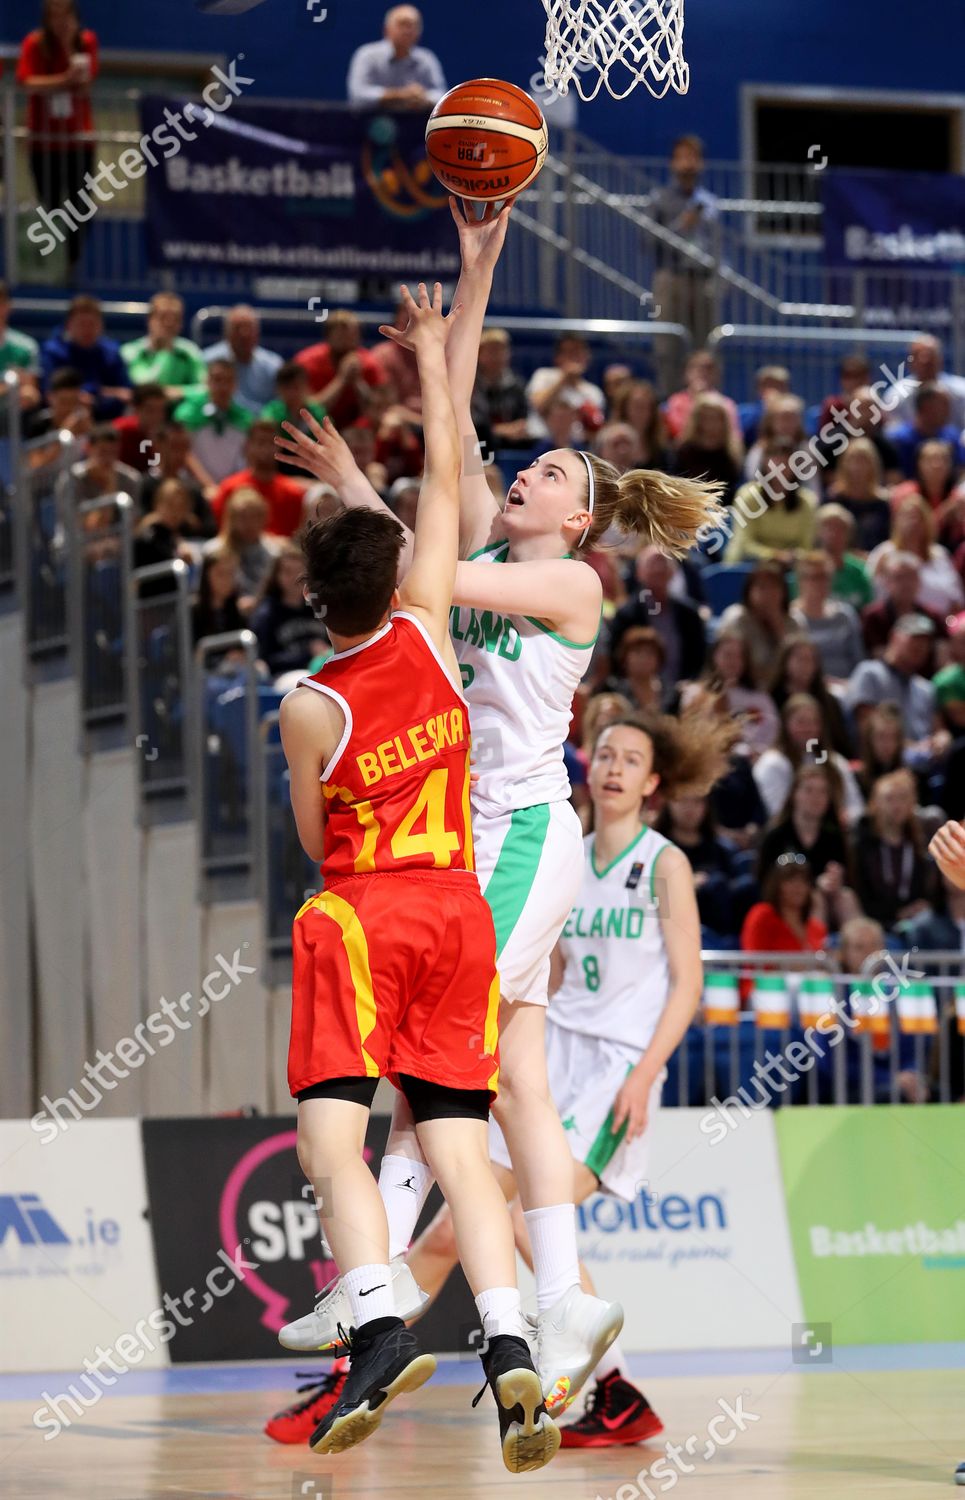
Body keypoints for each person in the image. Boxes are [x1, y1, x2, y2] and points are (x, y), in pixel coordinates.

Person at [274, 201, 726, 1419]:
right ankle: (556, 1292)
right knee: (506, 1059)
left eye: (550, 472)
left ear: (577, 517)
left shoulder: (570, 580)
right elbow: (454, 431)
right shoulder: (493, 536)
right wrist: (478, 260)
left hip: (525, 835)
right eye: (524, 466)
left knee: (450, 1061)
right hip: (457, 840)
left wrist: (375, 501)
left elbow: (421, 565)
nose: (521, 470)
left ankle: (385, 1280)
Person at [278, 281, 559, 1471]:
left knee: (331, 1145)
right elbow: (448, 475)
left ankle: (379, 1323)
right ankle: (509, 1353)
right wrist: (442, 358)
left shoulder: (309, 701)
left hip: (365, 917)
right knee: (455, 1141)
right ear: (391, 583)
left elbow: (312, 839)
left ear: (312, 600)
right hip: (459, 914)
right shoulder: (432, 628)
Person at [17, 0, 98, 276]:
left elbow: (86, 84)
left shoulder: (86, 42)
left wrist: (69, 47)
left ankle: (71, 264)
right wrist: (64, 79)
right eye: (55, 16)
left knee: (81, 206)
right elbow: (27, 82)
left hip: (78, 141)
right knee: (50, 205)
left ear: (75, 16)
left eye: (66, 15)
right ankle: (51, 267)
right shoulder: (34, 43)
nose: (61, 22)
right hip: (44, 143)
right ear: (47, 18)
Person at [649, 137, 719, 396]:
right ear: (673, 163)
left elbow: (717, 242)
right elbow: (649, 240)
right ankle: (670, 401)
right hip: (671, 277)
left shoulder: (709, 202)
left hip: (702, 279)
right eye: (683, 157)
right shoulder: (660, 199)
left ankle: (705, 401)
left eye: (694, 157)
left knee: (704, 346)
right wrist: (681, 226)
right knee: (669, 345)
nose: (689, 164)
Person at [757, 764, 860, 932]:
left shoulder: (835, 837)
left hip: (831, 904)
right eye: (809, 790)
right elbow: (765, 883)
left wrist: (837, 880)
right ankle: (814, 953)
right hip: (786, 905)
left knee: (846, 897)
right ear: (794, 794)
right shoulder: (775, 836)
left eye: (822, 792)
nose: (816, 797)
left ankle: (861, 950)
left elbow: (851, 879)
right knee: (815, 898)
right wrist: (813, 885)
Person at [655, 784, 754, 942]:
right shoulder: (654, 849)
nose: (690, 808)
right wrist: (687, 885)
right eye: (683, 800)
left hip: (717, 930)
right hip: (669, 930)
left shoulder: (722, 851)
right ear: (669, 803)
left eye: (697, 801)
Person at [752, 693, 865, 826]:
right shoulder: (773, 763)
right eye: (801, 722)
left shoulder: (834, 761)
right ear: (786, 724)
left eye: (813, 722)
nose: (808, 729)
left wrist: (847, 817)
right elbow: (776, 811)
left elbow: (856, 806)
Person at [852, 769, 938, 932]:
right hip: (874, 923)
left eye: (903, 798)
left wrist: (921, 905)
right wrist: (896, 914)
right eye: (889, 799)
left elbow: (928, 890)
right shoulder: (862, 844)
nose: (897, 806)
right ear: (875, 803)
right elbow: (861, 892)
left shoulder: (920, 843)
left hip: (915, 923)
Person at [607, 545, 707, 684]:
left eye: (663, 563)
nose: (658, 569)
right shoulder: (626, 615)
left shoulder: (689, 614)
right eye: (652, 564)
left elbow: (698, 659)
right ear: (639, 573)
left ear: (673, 572)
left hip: (680, 692)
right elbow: (616, 660)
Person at [845, 614, 940, 746]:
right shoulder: (869, 673)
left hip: (926, 761)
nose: (921, 646)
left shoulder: (925, 688)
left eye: (926, 642)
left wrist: (942, 740)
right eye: (914, 639)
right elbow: (867, 729)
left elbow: (939, 730)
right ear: (894, 637)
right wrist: (914, 748)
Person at [866, 494, 964, 619]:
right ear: (897, 521)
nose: (913, 522)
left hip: (940, 626)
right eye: (908, 517)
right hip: (896, 626)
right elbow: (872, 594)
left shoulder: (940, 554)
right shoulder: (884, 554)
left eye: (919, 518)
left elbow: (957, 598)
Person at [724, 441, 817, 566]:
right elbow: (744, 543)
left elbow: (806, 547)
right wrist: (775, 555)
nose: (781, 468)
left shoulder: (807, 501)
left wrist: (793, 556)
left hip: (790, 566)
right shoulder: (748, 496)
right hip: (749, 564)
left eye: (786, 463)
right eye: (776, 462)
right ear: (765, 463)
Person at [40, 296, 130, 419]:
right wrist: (104, 393)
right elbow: (50, 393)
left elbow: (126, 394)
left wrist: (93, 395)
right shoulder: (54, 352)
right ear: (68, 325)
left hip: (108, 422)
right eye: (82, 324)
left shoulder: (111, 352)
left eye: (92, 324)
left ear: (101, 325)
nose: (87, 330)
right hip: (64, 421)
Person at [295, 311, 386, 432]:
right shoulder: (307, 362)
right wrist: (341, 379)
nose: (347, 342)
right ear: (328, 336)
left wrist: (357, 382)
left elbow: (377, 411)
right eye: (341, 336)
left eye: (352, 336)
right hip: (317, 427)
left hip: (357, 431)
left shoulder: (369, 364)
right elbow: (306, 410)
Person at [213, 420, 307, 536]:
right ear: (247, 446)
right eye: (260, 442)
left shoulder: (293, 493)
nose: (266, 449)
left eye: (272, 443)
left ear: (279, 448)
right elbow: (223, 535)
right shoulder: (229, 489)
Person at [250, 542, 328, 681]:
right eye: (287, 572)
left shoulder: (319, 605)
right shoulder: (267, 613)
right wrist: (307, 653)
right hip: (286, 676)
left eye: (300, 572)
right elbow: (266, 661)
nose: (295, 578)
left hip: (324, 668)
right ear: (277, 576)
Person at [769, 633, 852, 759]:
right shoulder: (771, 698)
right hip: (785, 758)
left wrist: (821, 763)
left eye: (810, 660)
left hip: (820, 759)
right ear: (785, 662)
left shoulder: (828, 702)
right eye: (800, 659)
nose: (805, 665)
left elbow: (834, 743)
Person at [174, 360, 253, 491]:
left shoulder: (245, 418)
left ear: (235, 385)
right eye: (217, 380)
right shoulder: (187, 414)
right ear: (207, 382)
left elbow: (247, 458)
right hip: (194, 489)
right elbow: (184, 453)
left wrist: (230, 488)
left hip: (233, 490)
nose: (223, 386)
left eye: (228, 380)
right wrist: (209, 486)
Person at [346, 5, 446, 108]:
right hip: (373, 120)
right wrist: (398, 95)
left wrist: (424, 97)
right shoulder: (367, 55)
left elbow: (441, 96)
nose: (408, 30)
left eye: (413, 25)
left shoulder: (427, 59)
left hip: (417, 120)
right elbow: (358, 95)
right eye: (402, 24)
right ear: (387, 29)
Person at [789, 551, 864, 682]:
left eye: (826, 577)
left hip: (847, 687)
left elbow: (858, 659)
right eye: (815, 577)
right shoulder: (792, 618)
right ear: (801, 581)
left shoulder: (845, 614)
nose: (821, 583)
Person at [717, 560, 792, 690]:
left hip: (784, 690)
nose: (768, 594)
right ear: (749, 590)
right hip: (741, 687)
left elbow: (799, 664)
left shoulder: (792, 620)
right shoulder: (736, 618)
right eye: (762, 587)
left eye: (774, 587)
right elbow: (728, 662)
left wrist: (778, 628)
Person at [739, 856, 828, 962]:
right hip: (767, 978)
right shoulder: (762, 915)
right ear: (777, 885)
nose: (797, 887)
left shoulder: (817, 928)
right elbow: (753, 960)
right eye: (790, 880)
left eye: (803, 881)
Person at [861, 551, 946, 660]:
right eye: (899, 577)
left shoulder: (934, 617)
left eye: (911, 577)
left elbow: (943, 657)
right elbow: (879, 657)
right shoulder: (873, 616)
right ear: (886, 582)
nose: (906, 584)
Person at [120, 292, 206, 399]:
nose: (169, 323)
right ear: (150, 320)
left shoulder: (189, 351)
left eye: (175, 319)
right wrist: (164, 353)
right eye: (163, 317)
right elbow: (142, 386)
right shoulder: (130, 351)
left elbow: (205, 389)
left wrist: (180, 392)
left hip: (178, 411)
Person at [202, 488, 279, 606]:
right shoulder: (213, 551)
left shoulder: (274, 553)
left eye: (255, 516)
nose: (249, 523)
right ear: (230, 518)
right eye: (243, 517)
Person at [526, 332, 605, 444]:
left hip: (578, 446)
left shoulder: (593, 391)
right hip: (540, 442)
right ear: (557, 357)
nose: (574, 357)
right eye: (569, 352)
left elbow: (595, 429)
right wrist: (564, 378)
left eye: (579, 352)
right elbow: (538, 405)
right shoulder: (543, 375)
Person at [203, 306, 283, 415]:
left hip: (261, 426)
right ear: (227, 332)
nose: (244, 334)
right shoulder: (208, 360)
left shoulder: (274, 365)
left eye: (249, 328)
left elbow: (280, 405)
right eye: (238, 328)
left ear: (257, 333)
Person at [881, 334, 965, 430]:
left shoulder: (962, 391)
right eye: (918, 355)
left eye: (930, 354)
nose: (925, 360)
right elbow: (891, 433)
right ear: (910, 362)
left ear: (940, 359)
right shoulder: (896, 396)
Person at [673, 392, 743, 503]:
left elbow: (736, 489)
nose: (711, 424)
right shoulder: (684, 451)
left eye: (716, 418)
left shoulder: (732, 452)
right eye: (706, 418)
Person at [886, 383, 965, 481]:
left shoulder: (952, 436)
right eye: (944, 405)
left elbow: (961, 472)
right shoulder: (897, 440)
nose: (949, 410)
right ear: (926, 407)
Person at [826, 439, 892, 554]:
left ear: (873, 465)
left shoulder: (882, 503)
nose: (857, 467)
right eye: (853, 460)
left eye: (863, 461)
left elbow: (887, 541)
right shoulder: (834, 498)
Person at [662, 351, 739, 445]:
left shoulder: (726, 404)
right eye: (696, 367)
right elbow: (678, 435)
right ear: (686, 373)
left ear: (716, 375)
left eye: (709, 368)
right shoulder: (676, 402)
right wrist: (698, 400)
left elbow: (734, 438)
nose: (703, 372)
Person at [472, 329, 532, 449]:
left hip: (512, 442)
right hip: (477, 443)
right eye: (491, 350)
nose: (497, 356)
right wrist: (500, 430)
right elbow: (475, 423)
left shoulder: (516, 384)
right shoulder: (470, 384)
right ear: (479, 354)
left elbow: (523, 420)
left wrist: (507, 430)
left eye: (501, 350)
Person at [811, 504, 874, 611]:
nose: (833, 533)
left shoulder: (859, 572)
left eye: (840, 528)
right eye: (828, 527)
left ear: (849, 534)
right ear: (818, 532)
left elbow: (868, 607)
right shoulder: (809, 568)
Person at [132, 478, 196, 569]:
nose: (175, 512)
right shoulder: (148, 535)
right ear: (157, 504)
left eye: (180, 506)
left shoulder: (187, 531)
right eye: (170, 505)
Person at [743, 394, 808, 483]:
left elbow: (812, 487)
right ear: (771, 422)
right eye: (783, 418)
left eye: (793, 418)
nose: (788, 424)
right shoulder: (759, 451)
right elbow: (753, 483)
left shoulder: (807, 450)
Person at [890, 438, 959, 517]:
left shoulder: (958, 497)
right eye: (930, 460)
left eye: (944, 459)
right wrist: (944, 512)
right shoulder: (905, 495)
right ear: (918, 464)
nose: (937, 465)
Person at [191, 548, 246, 645]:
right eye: (220, 573)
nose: (226, 580)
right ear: (206, 576)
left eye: (231, 573)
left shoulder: (238, 612)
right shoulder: (192, 612)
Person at [612, 379, 669, 470]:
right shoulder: (610, 443)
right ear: (624, 408)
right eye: (637, 406)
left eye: (648, 407)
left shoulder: (660, 450)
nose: (643, 412)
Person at [112, 382, 168, 473]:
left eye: (160, 410)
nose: (156, 416)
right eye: (150, 410)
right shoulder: (120, 431)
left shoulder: (162, 435)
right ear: (136, 409)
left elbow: (160, 471)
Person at [0, 282, 41, 407]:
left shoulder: (27, 346)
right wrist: (9, 387)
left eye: (1, 302)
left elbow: (31, 395)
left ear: (8, 306)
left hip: (11, 421)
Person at [737, 365, 792, 449]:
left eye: (777, 385)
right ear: (758, 388)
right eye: (767, 385)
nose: (773, 389)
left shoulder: (794, 413)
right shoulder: (745, 412)